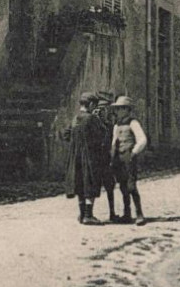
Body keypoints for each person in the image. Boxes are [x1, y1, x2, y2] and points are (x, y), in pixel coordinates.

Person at [60, 91, 104, 225]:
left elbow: (66, 135)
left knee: (79, 184)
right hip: (90, 157)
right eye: (94, 106)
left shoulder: (74, 119)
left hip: (75, 157)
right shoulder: (92, 119)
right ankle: (89, 215)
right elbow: (101, 135)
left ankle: (81, 214)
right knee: (91, 183)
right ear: (90, 104)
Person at [111, 96, 148, 225]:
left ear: (127, 110)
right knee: (122, 185)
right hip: (118, 158)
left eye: (121, 108)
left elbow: (142, 139)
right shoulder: (117, 125)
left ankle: (139, 213)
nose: (118, 111)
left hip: (129, 156)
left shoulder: (133, 123)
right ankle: (127, 213)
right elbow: (113, 143)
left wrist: (134, 152)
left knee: (131, 185)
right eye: (117, 109)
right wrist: (112, 156)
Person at [95, 91, 121, 222]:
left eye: (105, 110)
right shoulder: (94, 125)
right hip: (95, 161)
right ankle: (88, 214)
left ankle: (112, 213)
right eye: (100, 110)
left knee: (110, 186)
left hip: (106, 161)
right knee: (92, 186)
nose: (103, 112)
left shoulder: (110, 126)